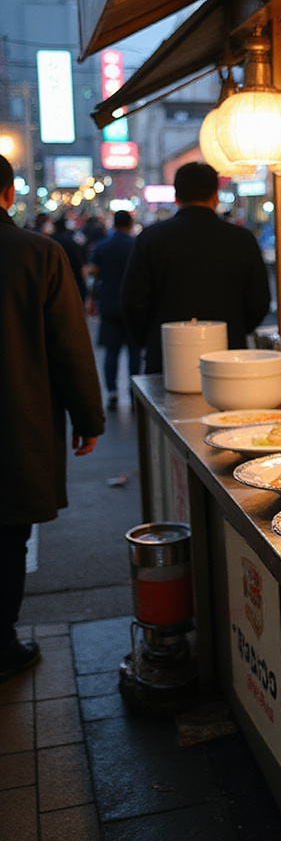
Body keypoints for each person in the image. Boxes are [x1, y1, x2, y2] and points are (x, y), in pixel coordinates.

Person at [0, 155, 105, 684]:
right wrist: (89, 418)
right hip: (15, 423)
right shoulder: (37, 254)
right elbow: (68, 345)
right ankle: (2, 643)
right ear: (7, 195)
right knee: (8, 536)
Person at [121, 162, 272, 373]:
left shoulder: (150, 239)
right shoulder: (242, 239)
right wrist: (235, 329)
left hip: (167, 356)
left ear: (177, 197)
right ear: (215, 195)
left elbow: (132, 301)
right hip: (228, 356)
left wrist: (153, 337)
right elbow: (259, 300)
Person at [88, 209, 142, 408]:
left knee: (112, 351)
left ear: (113, 224)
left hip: (109, 304)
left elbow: (93, 271)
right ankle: (133, 390)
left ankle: (111, 391)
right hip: (133, 305)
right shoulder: (135, 245)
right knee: (134, 352)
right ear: (130, 224)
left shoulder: (103, 246)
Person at [52, 213, 88, 302]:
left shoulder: (49, 242)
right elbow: (81, 263)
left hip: (54, 283)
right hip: (74, 281)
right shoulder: (72, 242)